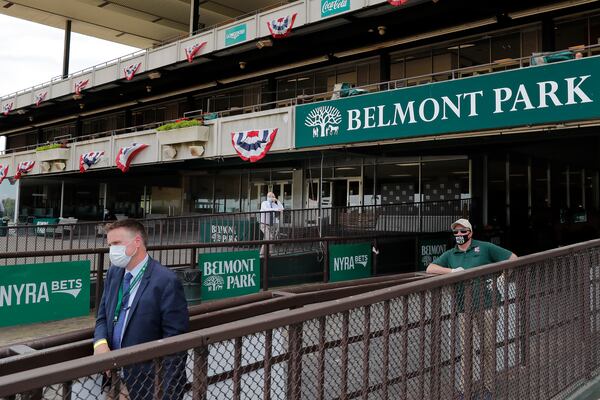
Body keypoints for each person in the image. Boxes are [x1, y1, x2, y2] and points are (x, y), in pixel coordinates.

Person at [93, 219, 189, 400]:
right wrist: (100, 345)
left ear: (137, 242)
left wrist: (166, 393)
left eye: (116, 243)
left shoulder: (166, 281)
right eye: (109, 245)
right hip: (114, 378)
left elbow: (175, 344)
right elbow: (102, 317)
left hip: (149, 384)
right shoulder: (114, 273)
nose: (111, 250)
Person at [426, 218, 517, 398]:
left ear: (470, 232)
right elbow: (430, 268)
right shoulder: (451, 254)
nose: (459, 235)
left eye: (462, 231)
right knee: (466, 350)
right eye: (456, 232)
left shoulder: (484, 247)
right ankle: (464, 389)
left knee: (488, 348)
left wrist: (503, 277)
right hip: (464, 308)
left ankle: (488, 388)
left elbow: (512, 258)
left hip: (488, 305)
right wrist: (452, 271)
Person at [259, 192, 284, 256]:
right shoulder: (264, 203)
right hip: (263, 224)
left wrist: (277, 201)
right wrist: (276, 209)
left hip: (271, 224)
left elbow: (282, 208)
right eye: (271, 196)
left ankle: (262, 253)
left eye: (273, 196)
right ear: (268, 197)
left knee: (266, 239)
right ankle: (270, 252)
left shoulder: (274, 204)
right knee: (270, 237)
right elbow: (267, 209)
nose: (272, 198)